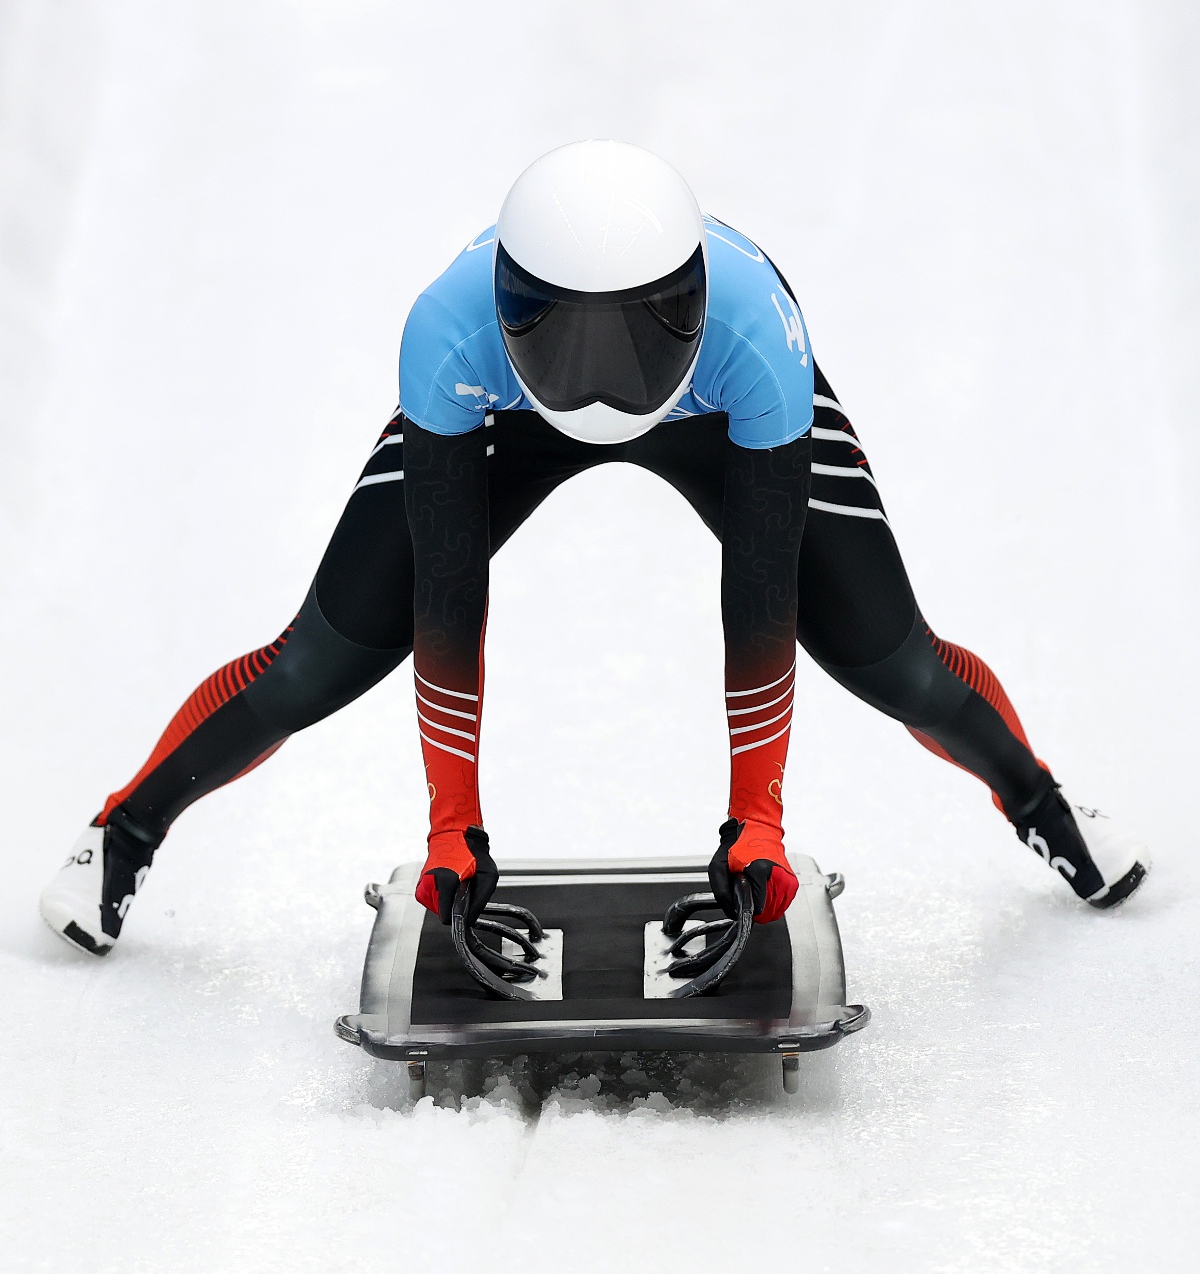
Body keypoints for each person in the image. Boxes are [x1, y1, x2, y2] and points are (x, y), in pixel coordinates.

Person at [39, 141, 1149, 957]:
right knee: (316, 662)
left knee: (892, 658)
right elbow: (446, 598)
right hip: (498, 415)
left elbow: (757, 599)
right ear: (514, 309)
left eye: (637, 331)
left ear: (693, 301)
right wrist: (452, 825)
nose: (603, 377)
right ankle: (121, 839)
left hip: (719, 413)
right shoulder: (447, 329)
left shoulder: (757, 334)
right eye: (567, 337)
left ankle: (1044, 805)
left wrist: (756, 819)